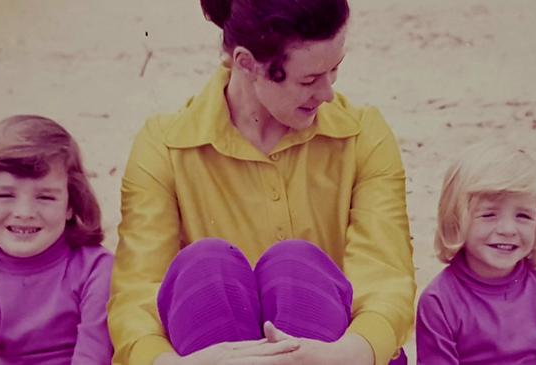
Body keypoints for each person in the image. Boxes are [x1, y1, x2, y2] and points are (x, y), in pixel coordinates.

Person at [108, 1, 415, 364]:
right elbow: (137, 294)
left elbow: (386, 275)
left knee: (294, 263)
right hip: (208, 355)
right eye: (309, 79)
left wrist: (349, 353)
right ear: (246, 63)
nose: (328, 93)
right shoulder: (163, 144)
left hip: (336, 354)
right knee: (206, 263)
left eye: (335, 70)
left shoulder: (364, 134)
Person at [0, 115, 114, 364]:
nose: (24, 212)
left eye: (45, 197)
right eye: (5, 195)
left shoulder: (97, 270)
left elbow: (94, 357)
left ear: (70, 205)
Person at [416, 141, 536, 364]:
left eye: (523, 216)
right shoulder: (439, 301)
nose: (508, 230)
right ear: (456, 220)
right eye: (489, 215)